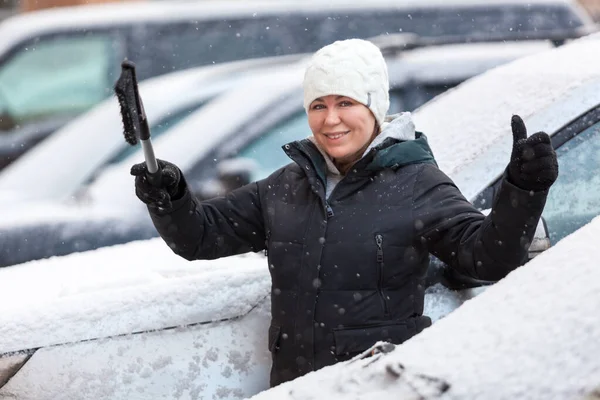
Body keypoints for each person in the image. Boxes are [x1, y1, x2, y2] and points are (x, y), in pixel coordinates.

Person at [130, 39, 558, 387]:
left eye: (345, 103)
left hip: (372, 386)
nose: (330, 120)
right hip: (295, 385)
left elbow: (487, 258)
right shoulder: (286, 185)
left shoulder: (417, 183)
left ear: (374, 107)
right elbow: (200, 236)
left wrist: (522, 189)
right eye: (318, 106)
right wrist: (170, 197)